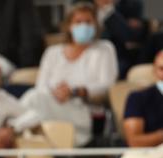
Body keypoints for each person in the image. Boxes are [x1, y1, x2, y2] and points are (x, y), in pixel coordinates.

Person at [20, 2, 118, 147]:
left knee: (32, 100)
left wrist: (74, 91)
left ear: (96, 24)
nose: (83, 26)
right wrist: (58, 93)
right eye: (78, 22)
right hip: (49, 107)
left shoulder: (104, 49)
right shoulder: (52, 52)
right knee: (34, 98)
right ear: (69, 26)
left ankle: (11, 129)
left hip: (85, 112)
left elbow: (107, 86)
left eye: (88, 22)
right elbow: (41, 86)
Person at [107, 50, 163, 158]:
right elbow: (135, 141)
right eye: (162, 68)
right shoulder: (138, 98)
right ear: (155, 70)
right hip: (145, 154)